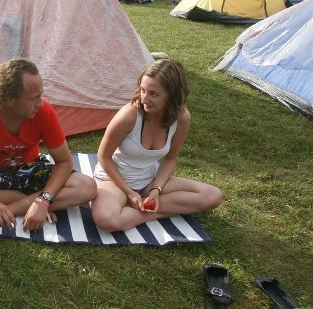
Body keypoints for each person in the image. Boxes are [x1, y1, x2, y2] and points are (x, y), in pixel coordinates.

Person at [0, 58, 98, 231]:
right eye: (33, 98)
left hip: (30, 169)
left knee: (87, 187)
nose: (40, 103)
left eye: (40, 95)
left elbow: (65, 162)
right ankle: (27, 202)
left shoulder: (44, 112)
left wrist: (44, 200)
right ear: (9, 99)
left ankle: (12, 209)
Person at [91, 60, 222, 232]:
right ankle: (158, 212)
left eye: (153, 94)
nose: (144, 98)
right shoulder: (129, 115)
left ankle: (140, 211)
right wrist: (130, 192)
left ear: (171, 95)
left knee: (213, 196)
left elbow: (170, 159)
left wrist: (155, 189)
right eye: (143, 90)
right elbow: (104, 157)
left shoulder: (181, 118)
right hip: (115, 179)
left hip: (149, 179)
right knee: (107, 220)